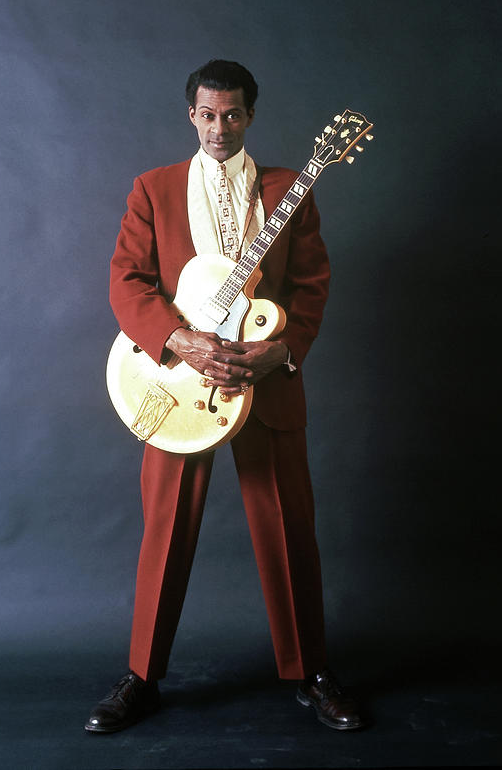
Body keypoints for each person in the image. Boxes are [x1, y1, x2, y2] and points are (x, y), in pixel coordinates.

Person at [86, 59, 365, 733]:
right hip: (178, 385)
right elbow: (127, 281)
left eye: (233, 114)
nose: (220, 127)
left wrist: (281, 350)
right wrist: (179, 341)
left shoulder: (291, 187)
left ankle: (311, 672)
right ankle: (142, 678)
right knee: (165, 531)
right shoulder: (153, 189)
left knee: (289, 529)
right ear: (192, 115)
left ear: (250, 115)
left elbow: (312, 285)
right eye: (208, 115)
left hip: (262, 383)